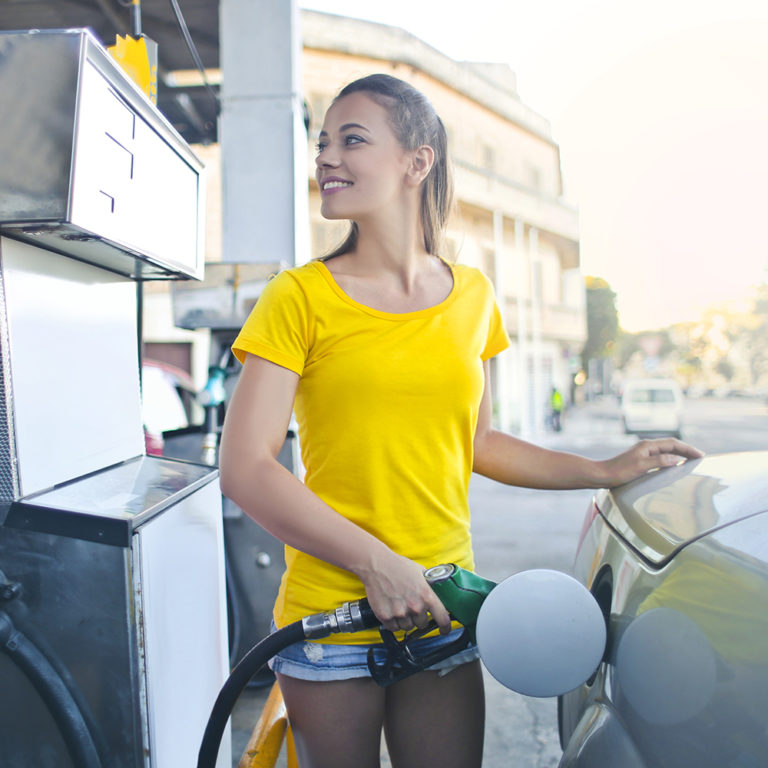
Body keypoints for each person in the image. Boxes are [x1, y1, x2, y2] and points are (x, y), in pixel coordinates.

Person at [218, 74, 703, 768]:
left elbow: (478, 442)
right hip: (330, 624)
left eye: (351, 140)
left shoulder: (472, 297)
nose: (326, 158)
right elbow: (246, 466)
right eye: (322, 143)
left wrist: (604, 470)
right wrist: (375, 563)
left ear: (419, 161)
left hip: (442, 612)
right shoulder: (298, 298)